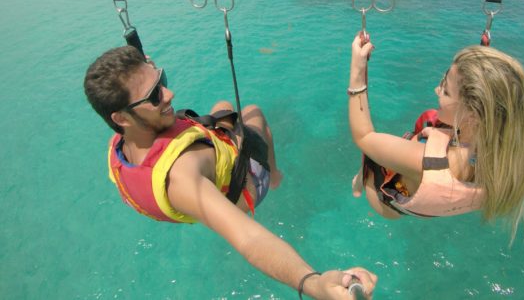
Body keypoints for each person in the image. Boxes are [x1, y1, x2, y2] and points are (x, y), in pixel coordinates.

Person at [84, 46, 376, 299]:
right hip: (246, 182)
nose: (169, 93)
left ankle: (169, 98)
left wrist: (145, 77)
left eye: (162, 79)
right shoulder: (180, 178)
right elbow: (250, 239)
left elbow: (140, 91)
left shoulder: (119, 145)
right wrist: (313, 283)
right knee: (254, 113)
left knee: (223, 107)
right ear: (121, 117)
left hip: (213, 149)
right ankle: (273, 175)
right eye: (156, 94)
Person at [347, 33, 524, 240]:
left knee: (373, 151)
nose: (437, 90)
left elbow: (363, 136)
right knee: (430, 119)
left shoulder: (425, 160)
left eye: (445, 91)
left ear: (473, 114)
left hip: (384, 200)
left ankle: (360, 181)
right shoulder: (504, 152)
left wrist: (358, 70)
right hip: (428, 198)